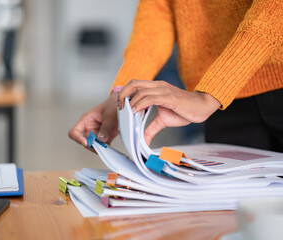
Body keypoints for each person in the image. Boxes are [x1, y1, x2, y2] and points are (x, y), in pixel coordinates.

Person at [69, 0, 283, 152]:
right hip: (222, 101)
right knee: (231, 210)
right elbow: (158, 10)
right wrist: (122, 94)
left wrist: (212, 92)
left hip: (228, 89)